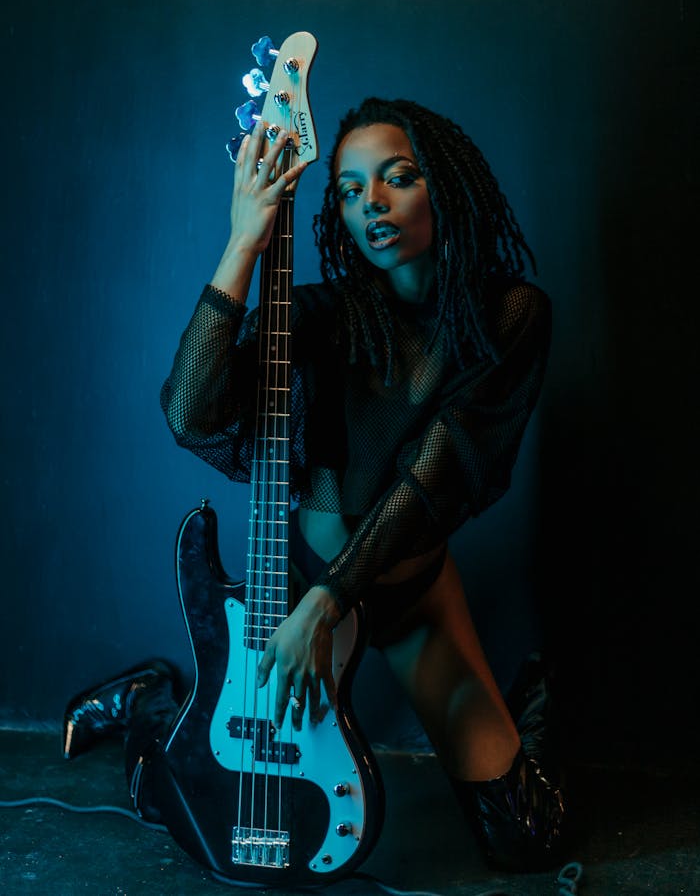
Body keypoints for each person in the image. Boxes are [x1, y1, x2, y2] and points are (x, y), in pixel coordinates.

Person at [63, 97, 565, 873]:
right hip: (297, 584)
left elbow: (432, 475)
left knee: (524, 840)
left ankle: (533, 707)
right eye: (352, 190)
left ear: (445, 186)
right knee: (179, 795)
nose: (374, 205)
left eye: (398, 178)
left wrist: (329, 605)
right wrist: (244, 238)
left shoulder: (510, 315)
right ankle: (149, 701)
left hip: (406, 597)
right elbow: (190, 414)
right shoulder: (323, 316)